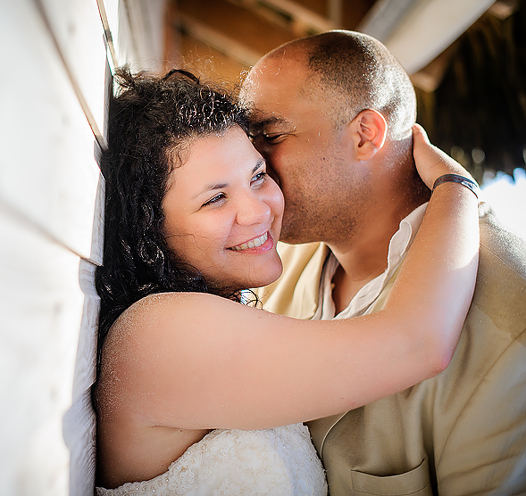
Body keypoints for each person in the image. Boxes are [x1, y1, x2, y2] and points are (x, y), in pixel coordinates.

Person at [93, 67, 480, 495]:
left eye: (258, 176)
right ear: (149, 227)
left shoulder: (202, 316)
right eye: (216, 198)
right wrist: (457, 187)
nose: (260, 211)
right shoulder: (161, 334)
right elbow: (418, 344)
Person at [241, 30, 526, 495]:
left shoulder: (510, 322)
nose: (251, 161)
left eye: (269, 136)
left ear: (365, 135)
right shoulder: (273, 259)